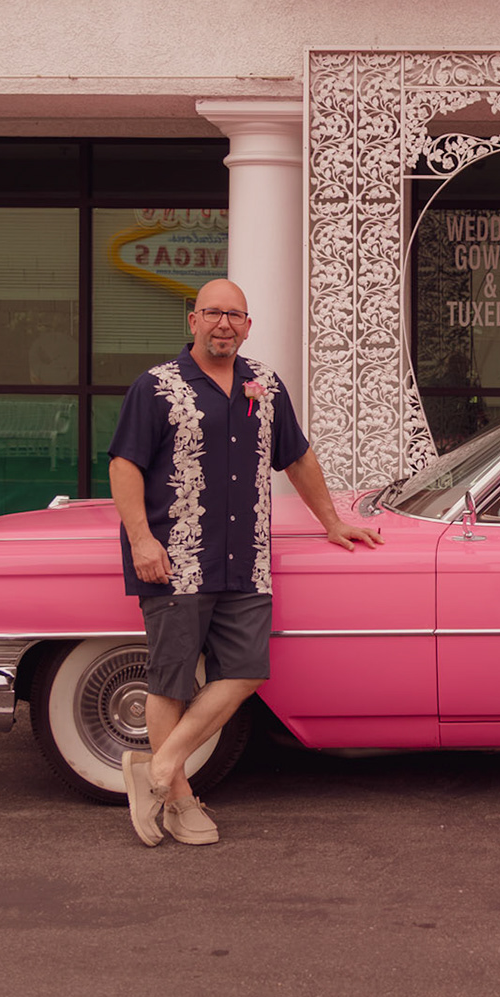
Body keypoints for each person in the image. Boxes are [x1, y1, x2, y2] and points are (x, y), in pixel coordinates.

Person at [108, 278, 380, 847]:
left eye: (234, 315)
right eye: (213, 313)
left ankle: (158, 767)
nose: (223, 324)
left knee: (247, 669)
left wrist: (332, 522)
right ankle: (178, 799)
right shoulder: (156, 386)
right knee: (171, 679)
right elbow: (125, 465)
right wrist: (141, 540)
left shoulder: (266, 386)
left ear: (248, 326)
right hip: (176, 558)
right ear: (193, 321)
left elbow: (297, 457)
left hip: (246, 558)